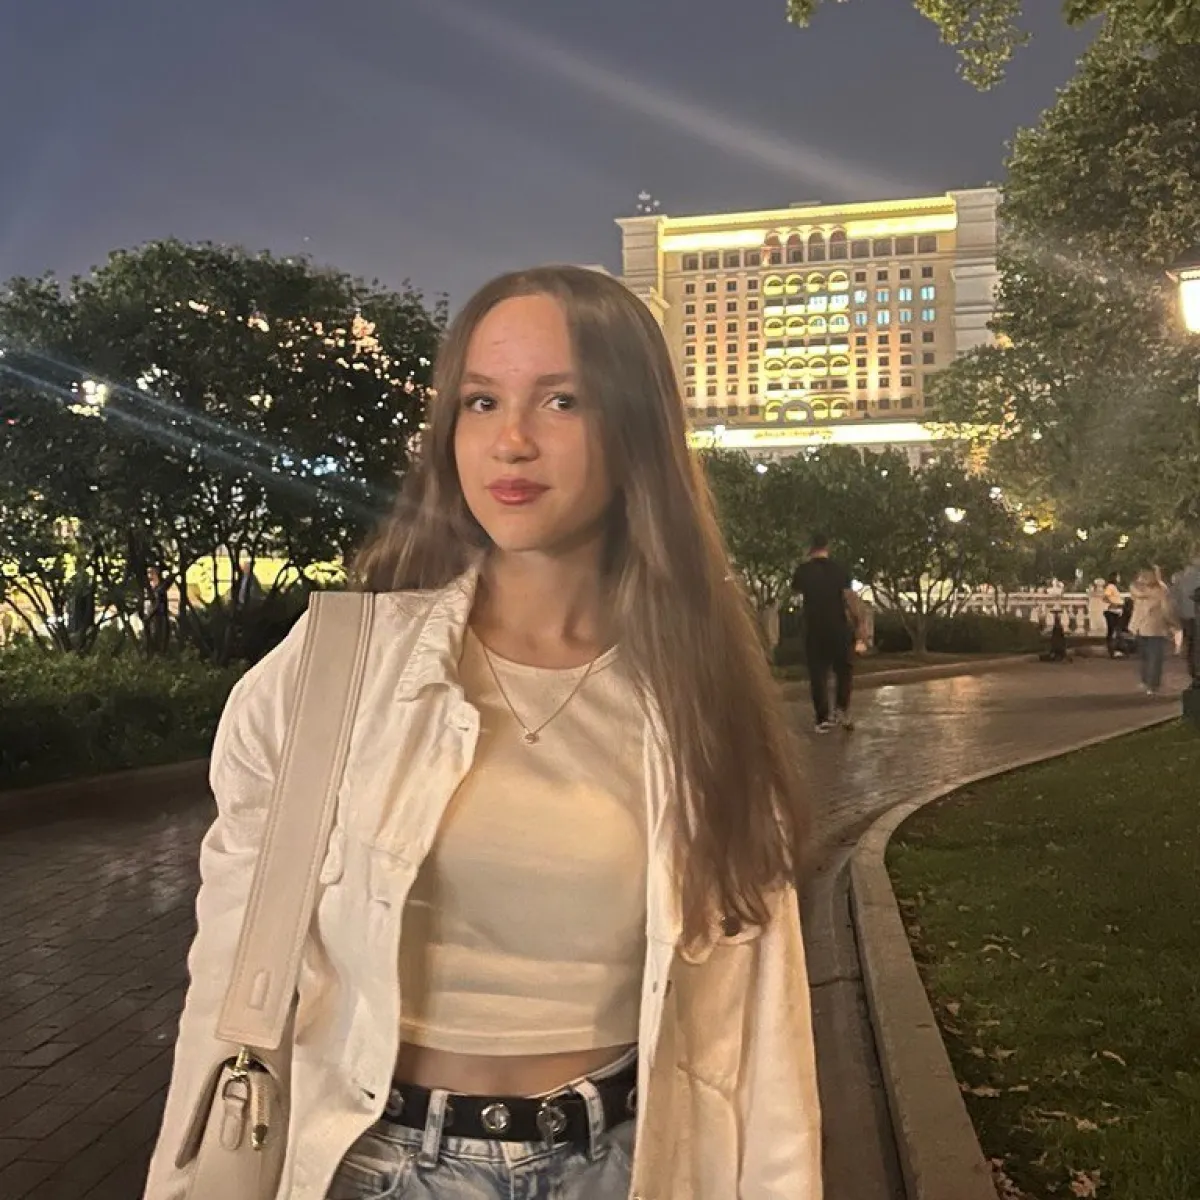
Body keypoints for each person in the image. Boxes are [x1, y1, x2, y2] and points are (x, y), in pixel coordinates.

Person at [144, 266, 822, 1200]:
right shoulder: (341, 667)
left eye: (561, 400)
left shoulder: (699, 701)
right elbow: (228, 977)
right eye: (481, 401)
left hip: (629, 1166)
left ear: (635, 429)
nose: (512, 440)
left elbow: (763, 1039)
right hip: (381, 1167)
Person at [791, 534, 865, 733]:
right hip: (838, 628)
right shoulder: (839, 570)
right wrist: (859, 625)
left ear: (809, 548)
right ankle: (842, 709)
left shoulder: (803, 571)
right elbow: (849, 598)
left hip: (814, 629)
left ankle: (823, 717)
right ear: (827, 547)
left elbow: (796, 596)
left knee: (818, 674)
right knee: (844, 671)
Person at [1129, 565, 1179, 696]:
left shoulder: (1137, 591)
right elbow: (1166, 610)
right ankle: (1153, 684)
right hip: (1156, 627)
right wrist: (1173, 624)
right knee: (1155, 658)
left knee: (1144, 657)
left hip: (1140, 627)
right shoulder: (1160, 591)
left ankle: (1145, 681)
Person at [1170, 554, 1200, 680]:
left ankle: (1193, 669)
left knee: (1190, 643)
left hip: (1185, 614)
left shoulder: (1179, 577)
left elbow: (1174, 597)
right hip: (1196, 613)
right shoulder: (1196, 576)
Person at [1102, 574, 1125, 657]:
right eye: (1118, 577)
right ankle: (1112, 651)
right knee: (1112, 631)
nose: (1119, 578)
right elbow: (1105, 597)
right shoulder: (1110, 587)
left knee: (1115, 631)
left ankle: (1116, 650)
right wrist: (1113, 603)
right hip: (1112, 611)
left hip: (1117, 611)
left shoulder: (1114, 587)